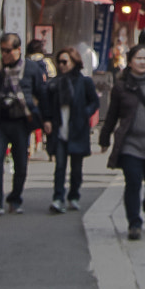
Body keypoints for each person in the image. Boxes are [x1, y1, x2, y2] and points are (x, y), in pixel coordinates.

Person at [98, 43, 145, 240]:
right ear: (130, 62)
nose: (142, 62)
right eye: (138, 59)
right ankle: (134, 222)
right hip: (130, 144)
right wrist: (104, 138)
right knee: (132, 182)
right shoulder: (121, 87)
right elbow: (112, 115)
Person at [0, 34, 42, 216]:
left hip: (21, 122)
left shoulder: (31, 69)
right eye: (2, 51)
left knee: (21, 164)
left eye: (8, 51)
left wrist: (41, 116)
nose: (5, 55)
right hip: (1, 120)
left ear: (18, 50)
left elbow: (41, 92)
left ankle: (15, 199)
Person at [40, 47, 100, 214]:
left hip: (77, 129)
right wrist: (47, 120)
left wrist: (85, 114)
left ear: (74, 62)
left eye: (65, 62)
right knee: (59, 166)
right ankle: (58, 197)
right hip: (60, 128)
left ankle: (74, 195)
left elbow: (94, 102)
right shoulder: (54, 83)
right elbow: (46, 105)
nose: (62, 65)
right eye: (59, 62)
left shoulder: (84, 82)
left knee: (76, 168)